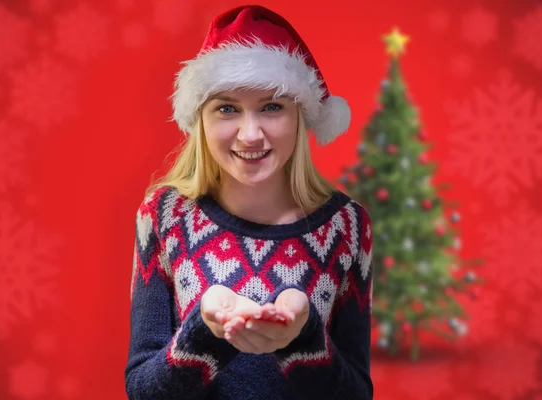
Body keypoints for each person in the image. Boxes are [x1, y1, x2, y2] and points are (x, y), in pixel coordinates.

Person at [124, 5, 374, 400]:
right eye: (227, 108)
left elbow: (356, 393)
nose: (250, 134)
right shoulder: (164, 217)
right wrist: (207, 329)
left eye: (272, 106)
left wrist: (302, 335)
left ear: (299, 116)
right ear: (200, 120)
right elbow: (142, 390)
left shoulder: (347, 227)